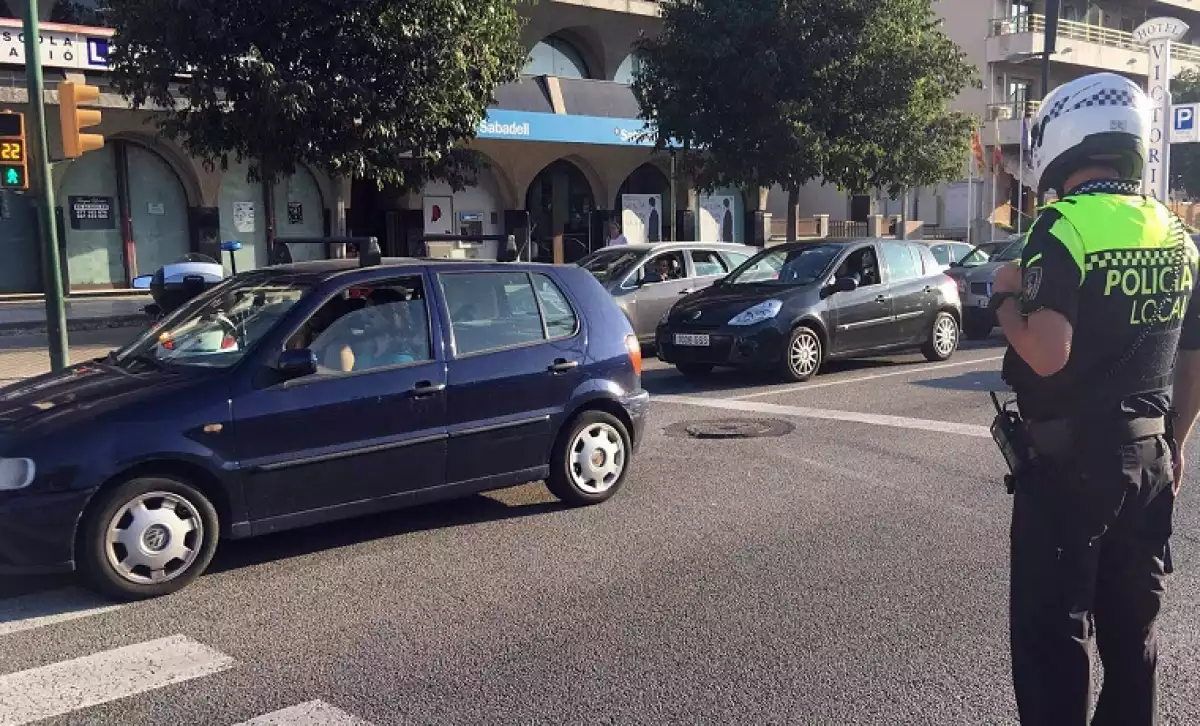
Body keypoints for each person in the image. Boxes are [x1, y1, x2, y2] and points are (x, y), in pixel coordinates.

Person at [990, 71, 1200, 726]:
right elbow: (1193, 357)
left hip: (1068, 470)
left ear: (1064, 141)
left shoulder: (1062, 225)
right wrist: (1178, 446)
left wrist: (1002, 298)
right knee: (1134, 640)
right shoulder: (1174, 234)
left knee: (1056, 642)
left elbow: (1048, 351)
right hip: (1150, 460)